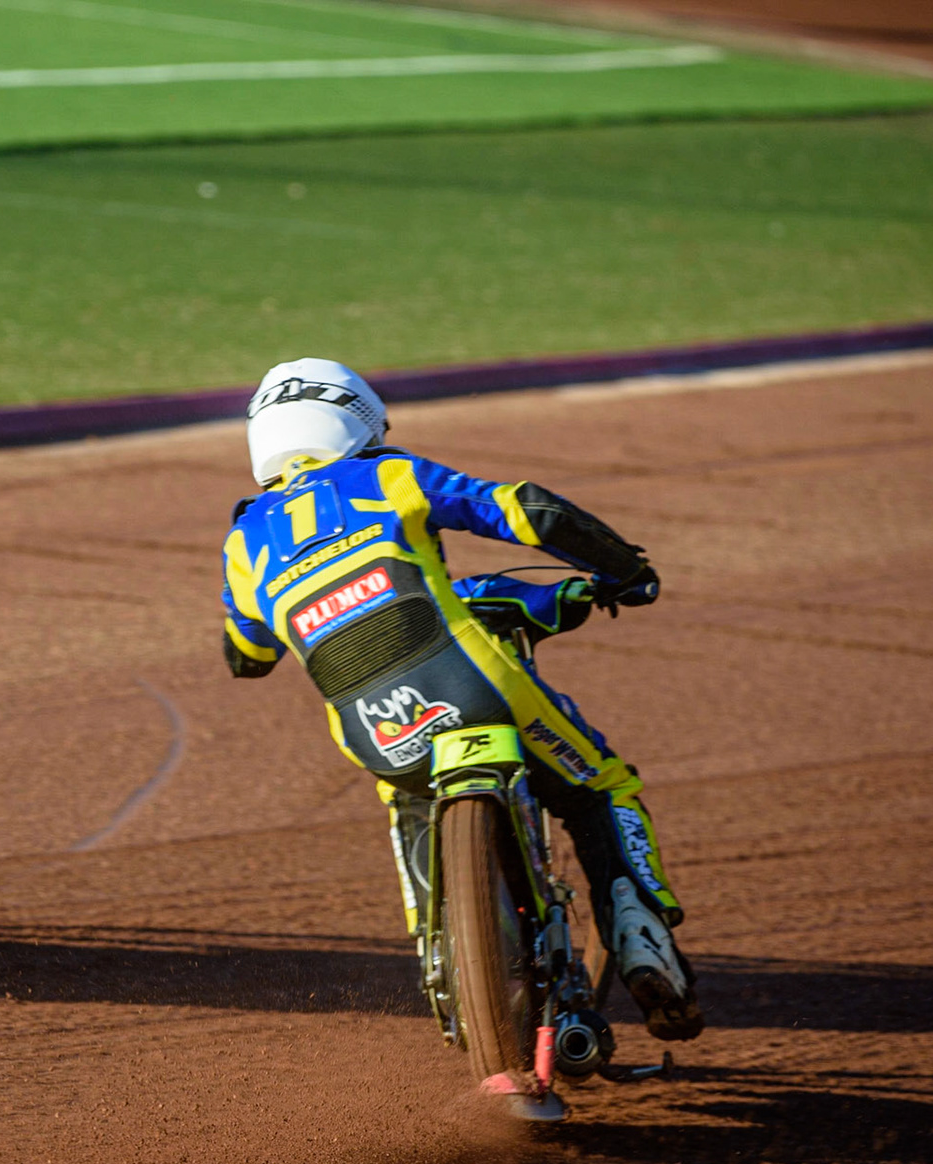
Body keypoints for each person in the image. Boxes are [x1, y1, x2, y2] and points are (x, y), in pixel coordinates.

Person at [220, 358, 703, 1041]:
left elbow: (246, 656)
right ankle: (638, 928)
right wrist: (624, 568)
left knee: (408, 801)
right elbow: (524, 510)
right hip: (473, 685)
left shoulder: (243, 541)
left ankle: (444, 958)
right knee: (601, 786)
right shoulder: (385, 474)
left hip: (372, 731)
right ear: (357, 422)